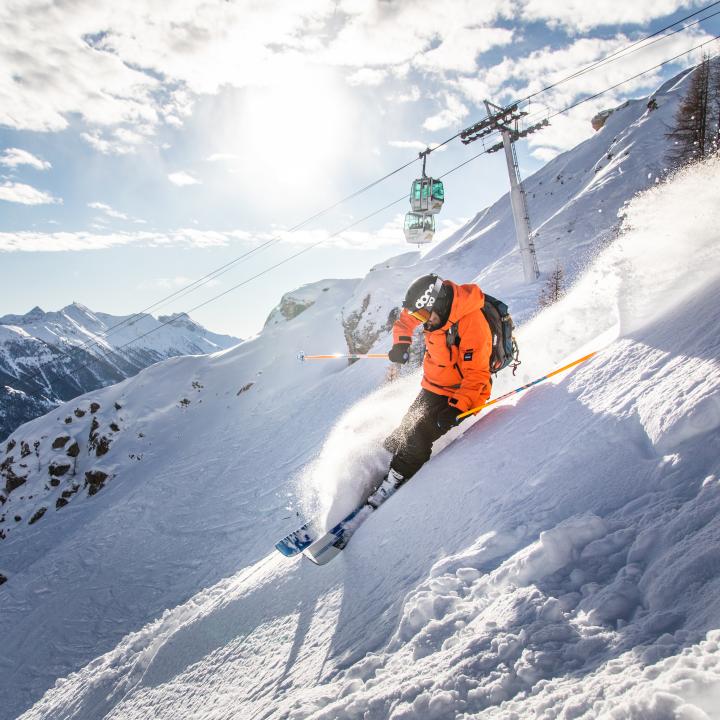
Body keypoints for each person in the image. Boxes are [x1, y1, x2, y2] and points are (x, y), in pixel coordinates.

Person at [374, 274, 493, 499]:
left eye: (424, 315)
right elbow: (405, 319)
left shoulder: (472, 323)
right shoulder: (436, 312)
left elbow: (477, 376)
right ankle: (386, 465)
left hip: (458, 393)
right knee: (406, 428)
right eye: (420, 315)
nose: (423, 322)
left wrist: (458, 408)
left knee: (418, 436)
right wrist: (401, 343)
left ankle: (393, 483)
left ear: (438, 303)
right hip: (433, 384)